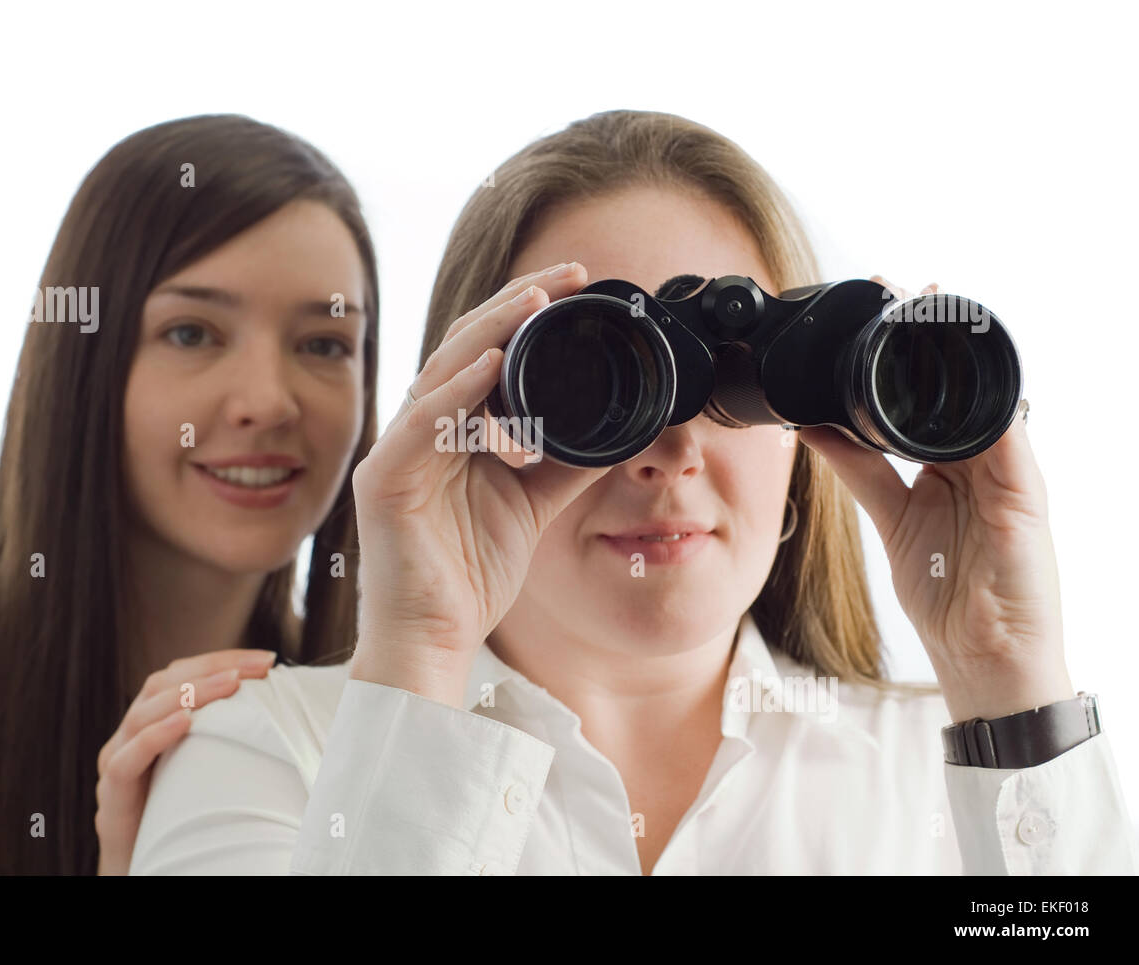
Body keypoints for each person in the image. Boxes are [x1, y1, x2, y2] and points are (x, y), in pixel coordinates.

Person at [129, 109, 1137, 875]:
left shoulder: (948, 776)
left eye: (735, 384)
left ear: (802, 437)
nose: (668, 452)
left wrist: (1006, 674)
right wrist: (421, 646)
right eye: (599, 381)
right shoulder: (262, 750)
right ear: (473, 402)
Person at [0, 114, 379, 874]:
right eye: (193, 333)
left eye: (325, 343)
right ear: (83, 365)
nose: (268, 400)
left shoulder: (369, 729)